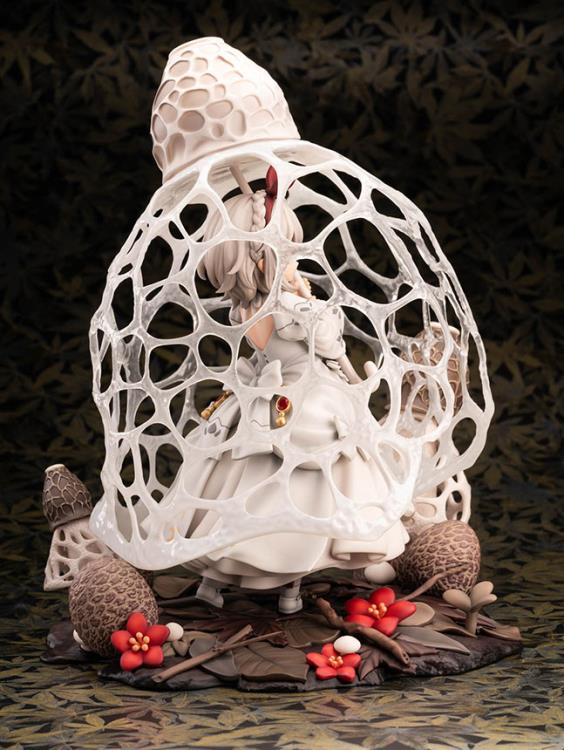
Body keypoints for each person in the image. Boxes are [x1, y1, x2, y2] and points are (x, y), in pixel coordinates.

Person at [168, 166, 410, 613]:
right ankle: (289, 588)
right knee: (301, 491)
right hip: (305, 395)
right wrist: (308, 300)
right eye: (285, 248)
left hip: (267, 394)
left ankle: (214, 583)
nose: (293, 257)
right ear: (261, 257)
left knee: (242, 485)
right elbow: (330, 344)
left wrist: (298, 294)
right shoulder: (285, 308)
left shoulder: (246, 309)